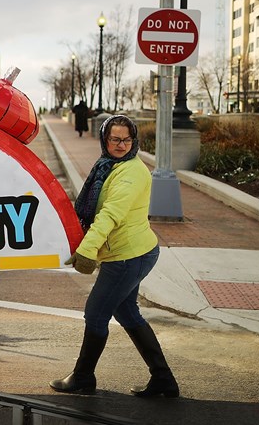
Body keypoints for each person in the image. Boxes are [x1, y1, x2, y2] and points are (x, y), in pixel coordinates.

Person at [50, 115, 179, 398]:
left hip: (127, 257)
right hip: (130, 253)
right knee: (126, 311)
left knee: (96, 313)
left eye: (126, 139)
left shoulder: (131, 172)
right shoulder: (108, 166)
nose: (120, 145)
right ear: (105, 140)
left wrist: (87, 249)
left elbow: (111, 214)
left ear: (134, 141)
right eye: (114, 139)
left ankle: (83, 377)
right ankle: (163, 379)